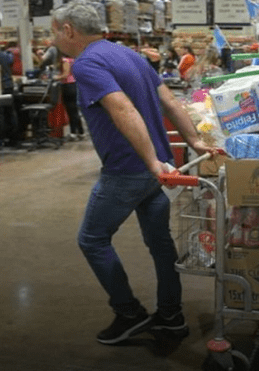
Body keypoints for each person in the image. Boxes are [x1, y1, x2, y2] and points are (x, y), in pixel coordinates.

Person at [50, 1, 217, 345]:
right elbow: (170, 101)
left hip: (129, 170)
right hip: (158, 167)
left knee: (92, 239)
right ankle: (170, 316)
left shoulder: (87, 64)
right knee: (160, 243)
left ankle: (128, 312)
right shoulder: (129, 56)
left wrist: (149, 163)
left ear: (68, 30)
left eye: (54, 31)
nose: (55, 38)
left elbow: (122, 108)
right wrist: (194, 142)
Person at [53, 54, 84, 140]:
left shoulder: (65, 60)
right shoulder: (73, 59)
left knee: (71, 111)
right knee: (74, 110)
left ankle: (73, 132)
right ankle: (81, 132)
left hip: (68, 86)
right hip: (74, 85)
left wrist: (56, 77)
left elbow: (65, 75)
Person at [0, 47, 20, 147]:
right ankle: (13, 139)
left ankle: (2, 139)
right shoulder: (6, 55)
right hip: (8, 86)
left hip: (1, 87)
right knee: (10, 113)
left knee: (2, 114)